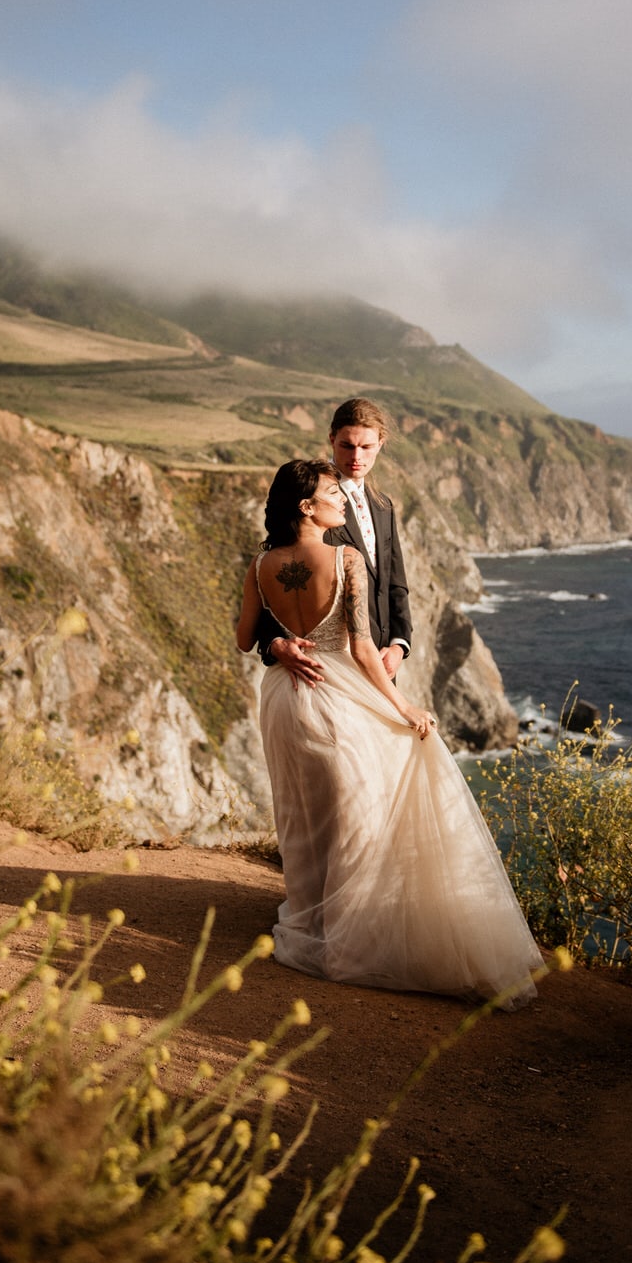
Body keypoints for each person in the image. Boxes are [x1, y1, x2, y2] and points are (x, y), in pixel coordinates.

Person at [237, 458, 541, 1007]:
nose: (343, 500)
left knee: (302, 812)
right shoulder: (346, 558)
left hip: (285, 697)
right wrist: (404, 706)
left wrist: (280, 642)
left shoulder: (261, 565)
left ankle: (312, 920)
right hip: (339, 696)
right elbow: (359, 647)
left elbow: (243, 639)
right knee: (359, 812)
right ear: (307, 507)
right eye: (333, 493)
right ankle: (350, 937)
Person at [256, 398, 410, 687]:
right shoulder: (313, 500)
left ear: (381, 443)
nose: (357, 456)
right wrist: (274, 643)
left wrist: (399, 645)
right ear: (331, 439)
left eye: (366, 447)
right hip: (326, 672)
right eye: (347, 445)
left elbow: (394, 585)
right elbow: (274, 575)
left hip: (382, 667)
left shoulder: (383, 505)